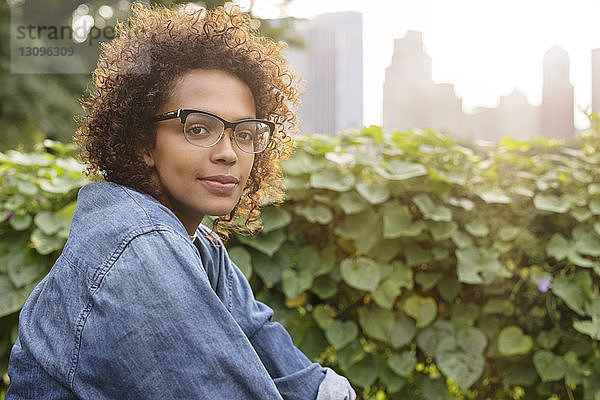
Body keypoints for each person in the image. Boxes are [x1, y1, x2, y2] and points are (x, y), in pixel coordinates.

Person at [6, 3, 356, 399]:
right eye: (199, 128)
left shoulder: (202, 248)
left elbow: (301, 380)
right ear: (143, 144)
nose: (229, 152)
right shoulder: (139, 247)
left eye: (244, 132)